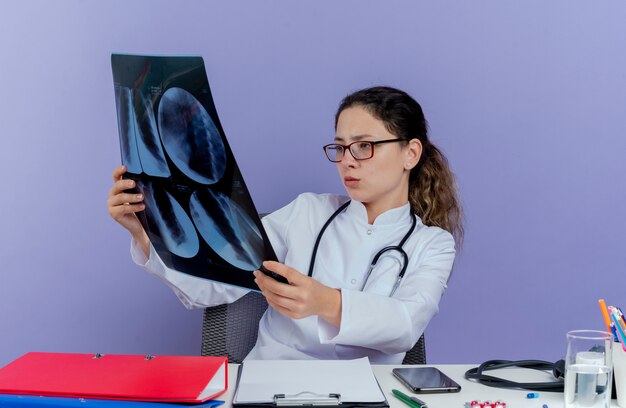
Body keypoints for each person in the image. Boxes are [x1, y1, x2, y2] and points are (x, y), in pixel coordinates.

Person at [107, 86, 463, 363]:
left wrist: (325, 302)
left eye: (365, 146)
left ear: (410, 153)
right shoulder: (307, 212)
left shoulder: (432, 243)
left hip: (369, 394)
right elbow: (214, 286)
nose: (348, 162)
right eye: (340, 148)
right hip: (271, 385)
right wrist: (145, 232)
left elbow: (404, 326)